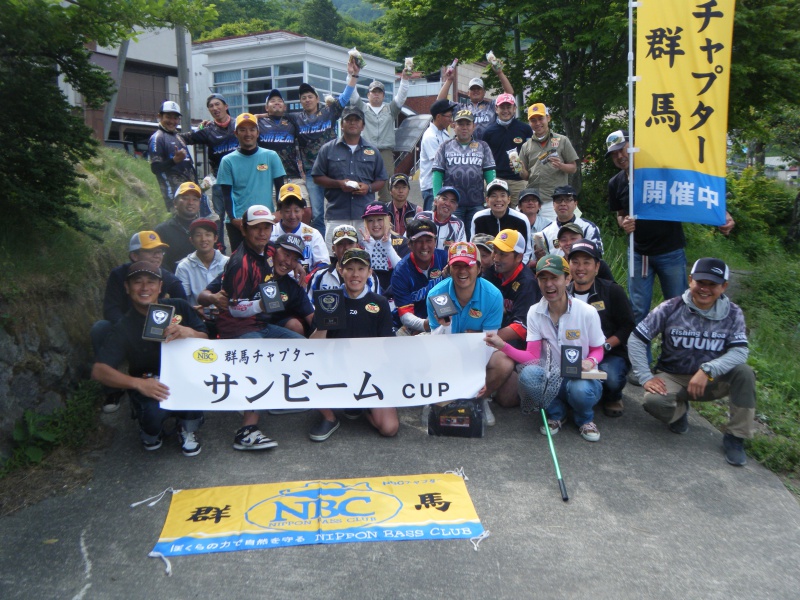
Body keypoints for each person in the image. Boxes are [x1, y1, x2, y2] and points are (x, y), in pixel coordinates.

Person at [198, 208, 314, 451]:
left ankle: (281, 396)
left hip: (261, 324)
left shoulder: (269, 248)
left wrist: (298, 266)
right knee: (258, 360)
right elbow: (234, 309)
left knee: (302, 348)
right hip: (236, 329)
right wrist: (261, 304)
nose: (262, 232)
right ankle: (246, 430)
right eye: (256, 227)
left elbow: (284, 253)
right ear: (244, 229)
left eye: (267, 227)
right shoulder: (240, 263)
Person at [627, 258, 754, 466]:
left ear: (724, 286)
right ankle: (678, 412)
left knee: (745, 373)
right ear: (690, 280)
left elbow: (740, 351)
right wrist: (645, 376)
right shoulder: (671, 306)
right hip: (672, 376)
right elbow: (637, 338)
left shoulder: (733, 313)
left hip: (711, 379)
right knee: (653, 401)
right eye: (700, 282)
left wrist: (708, 370)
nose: (705, 289)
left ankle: (736, 437)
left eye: (712, 284)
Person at [606, 129, 736, 326]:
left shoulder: (662, 173)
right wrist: (624, 223)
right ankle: (638, 356)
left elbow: (693, 194)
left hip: (670, 251)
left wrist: (721, 215)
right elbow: (620, 214)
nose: (620, 156)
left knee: (678, 305)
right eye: (614, 154)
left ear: (633, 147)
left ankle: (675, 353)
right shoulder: (615, 183)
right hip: (639, 254)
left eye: (623, 150)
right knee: (638, 309)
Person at [484, 255, 605, 442]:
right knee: (528, 376)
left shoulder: (586, 312)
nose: (549, 284)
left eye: (554, 278)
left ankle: (584, 418)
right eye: (543, 278)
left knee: (581, 391)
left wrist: (590, 361)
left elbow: (598, 348)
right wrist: (503, 345)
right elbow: (532, 357)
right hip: (551, 376)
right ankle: (556, 414)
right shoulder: (535, 311)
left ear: (567, 279)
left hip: (579, 377)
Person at [91, 262, 207, 456]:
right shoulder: (124, 326)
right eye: (137, 282)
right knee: (153, 418)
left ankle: (187, 428)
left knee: (192, 400)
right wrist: (137, 384)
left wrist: (190, 332)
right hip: (148, 381)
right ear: (127, 288)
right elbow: (99, 370)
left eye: (151, 282)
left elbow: (207, 341)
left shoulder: (179, 306)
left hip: (184, 377)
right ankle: (149, 429)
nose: (145, 288)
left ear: (160, 287)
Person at [92, 231, 188, 413]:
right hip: (126, 328)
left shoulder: (171, 280)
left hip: (161, 333)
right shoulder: (118, 275)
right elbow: (110, 309)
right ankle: (112, 390)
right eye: (150, 251)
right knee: (100, 328)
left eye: (160, 251)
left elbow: (183, 312)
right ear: (134, 255)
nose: (157, 255)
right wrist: (131, 329)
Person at [309, 249, 398, 441]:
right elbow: (312, 348)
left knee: (389, 428)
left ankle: (362, 408)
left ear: (370, 272)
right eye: (349, 268)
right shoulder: (328, 299)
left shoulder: (379, 302)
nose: (355, 274)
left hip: (369, 372)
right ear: (340, 271)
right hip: (334, 369)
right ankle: (330, 417)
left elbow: (388, 347)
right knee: (306, 367)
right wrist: (325, 322)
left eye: (360, 269)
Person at [425, 241, 503, 425]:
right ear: (449, 268)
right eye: (456, 266)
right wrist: (445, 326)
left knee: (504, 362)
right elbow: (436, 345)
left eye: (468, 266)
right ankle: (438, 395)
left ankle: (480, 399)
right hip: (446, 350)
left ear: (478, 268)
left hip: (477, 351)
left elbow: (489, 341)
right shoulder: (436, 294)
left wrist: (476, 379)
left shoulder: (493, 296)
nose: (462, 272)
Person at [566, 239, 634, 418]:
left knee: (611, 378)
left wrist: (605, 346)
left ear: (597, 267)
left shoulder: (613, 291)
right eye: (575, 262)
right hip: (571, 353)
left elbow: (627, 326)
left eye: (586, 262)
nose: (580, 267)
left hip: (609, 353)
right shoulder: (562, 293)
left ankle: (613, 396)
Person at [291, 60, 360, 235]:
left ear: (317, 99)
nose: (307, 100)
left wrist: (353, 75)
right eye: (303, 98)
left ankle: (343, 239)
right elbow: (274, 116)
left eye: (310, 96)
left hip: (334, 170)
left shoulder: (328, 112)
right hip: (313, 174)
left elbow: (345, 96)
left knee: (339, 209)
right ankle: (320, 247)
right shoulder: (296, 119)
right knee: (318, 213)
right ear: (300, 101)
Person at [481, 229, 541, 413]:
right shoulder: (492, 271)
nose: (496, 258)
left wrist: (484, 338)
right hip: (490, 336)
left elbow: (521, 328)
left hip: (515, 346)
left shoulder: (527, 283)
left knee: (507, 398)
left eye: (503, 254)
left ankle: (481, 395)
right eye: (495, 251)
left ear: (518, 257)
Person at [311, 105, 388, 249]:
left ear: (363, 126)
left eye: (357, 120)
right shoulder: (327, 149)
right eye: (349, 120)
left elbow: (382, 180)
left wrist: (369, 187)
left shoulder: (373, 151)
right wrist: (338, 183)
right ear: (342, 124)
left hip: (364, 216)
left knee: (365, 257)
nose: (353, 123)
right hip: (336, 214)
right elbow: (317, 177)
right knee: (334, 257)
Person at [217, 112, 286, 252]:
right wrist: (233, 218)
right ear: (236, 133)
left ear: (258, 132)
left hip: (265, 219)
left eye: (252, 129)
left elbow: (281, 188)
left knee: (266, 259)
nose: (248, 133)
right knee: (241, 263)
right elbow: (226, 194)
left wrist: (279, 211)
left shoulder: (271, 156)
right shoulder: (227, 161)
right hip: (239, 222)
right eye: (242, 130)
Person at [180, 93, 238, 251]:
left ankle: (241, 248)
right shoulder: (208, 130)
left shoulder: (238, 124)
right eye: (211, 106)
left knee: (239, 214)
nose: (215, 108)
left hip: (241, 178)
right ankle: (218, 247)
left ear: (226, 106)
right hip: (219, 179)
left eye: (217, 104)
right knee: (219, 215)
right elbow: (184, 138)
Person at [432, 109, 496, 236]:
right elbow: (437, 174)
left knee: (477, 237)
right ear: (454, 126)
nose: (464, 127)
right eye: (460, 124)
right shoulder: (445, 146)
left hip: (477, 203)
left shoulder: (483, 146)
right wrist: (436, 198)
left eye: (468, 124)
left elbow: (490, 176)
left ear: (474, 126)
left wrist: (492, 197)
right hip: (452, 204)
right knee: (453, 237)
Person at [350, 74, 411, 201]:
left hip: (386, 152)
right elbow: (352, 93)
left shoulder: (390, 109)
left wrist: (404, 79)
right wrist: (351, 74)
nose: (376, 94)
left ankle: (386, 214)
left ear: (383, 95)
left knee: (387, 185)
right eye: (373, 92)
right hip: (366, 151)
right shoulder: (362, 108)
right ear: (368, 95)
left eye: (379, 92)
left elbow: (401, 96)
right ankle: (365, 212)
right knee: (364, 183)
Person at [519, 103, 578, 221]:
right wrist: (520, 169)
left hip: (555, 200)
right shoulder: (526, 146)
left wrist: (561, 166)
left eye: (541, 118)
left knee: (555, 235)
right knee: (534, 235)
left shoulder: (562, 140)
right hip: (534, 200)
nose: (537, 123)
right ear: (529, 123)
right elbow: (525, 177)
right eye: (533, 120)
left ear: (548, 118)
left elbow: (573, 168)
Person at [390, 218, 449, 335]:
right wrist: (428, 325)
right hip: (410, 325)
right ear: (409, 244)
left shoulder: (446, 259)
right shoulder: (401, 272)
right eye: (418, 241)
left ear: (435, 242)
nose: (424, 246)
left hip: (444, 320)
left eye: (429, 240)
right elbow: (405, 316)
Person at [436, 64, 515, 140]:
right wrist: (449, 80)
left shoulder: (491, 105)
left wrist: (500, 73)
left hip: (490, 147)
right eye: (473, 89)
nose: (476, 91)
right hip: (467, 148)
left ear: (484, 92)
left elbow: (509, 95)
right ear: (468, 93)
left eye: (478, 88)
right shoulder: (460, 107)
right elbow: (440, 103)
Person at [308, 224, 381, 302]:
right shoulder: (319, 275)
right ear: (333, 249)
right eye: (341, 244)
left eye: (350, 243)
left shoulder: (370, 276)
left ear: (357, 246)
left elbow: (375, 305)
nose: (346, 247)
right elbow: (309, 307)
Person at [148, 100, 200, 212]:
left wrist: (202, 127)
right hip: (175, 198)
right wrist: (174, 161)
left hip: (189, 195)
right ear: (159, 117)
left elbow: (192, 136)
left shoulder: (177, 136)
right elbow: (155, 168)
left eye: (175, 118)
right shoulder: (157, 138)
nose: (172, 121)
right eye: (168, 117)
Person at [482, 94, 532, 206]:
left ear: (514, 108)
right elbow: (484, 159)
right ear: (496, 109)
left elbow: (531, 153)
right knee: (495, 212)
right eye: (502, 107)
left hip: (519, 181)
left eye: (508, 107)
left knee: (519, 214)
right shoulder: (488, 132)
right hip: (496, 179)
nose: (505, 111)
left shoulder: (525, 129)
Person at [271, 183, 329, 277]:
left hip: (305, 285)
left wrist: (309, 278)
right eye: (287, 211)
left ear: (303, 210)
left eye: (297, 211)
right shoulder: (271, 231)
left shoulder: (314, 234)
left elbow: (323, 264)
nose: (292, 216)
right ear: (280, 211)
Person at [471, 179, 532, 264]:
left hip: (513, 267)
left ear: (509, 199)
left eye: (503, 195)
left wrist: (517, 269)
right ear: (487, 200)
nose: (499, 199)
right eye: (494, 196)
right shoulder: (478, 218)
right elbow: (474, 248)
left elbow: (527, 250)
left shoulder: (521, 219)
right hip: (486, 266)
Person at [536, 185, 603, 259]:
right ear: (553, 204)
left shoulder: (588, 228)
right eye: (558, 200)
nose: (563, 204)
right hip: (556, 269)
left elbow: (597, 256)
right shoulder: (545, 232)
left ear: (575, 204)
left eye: (568, 199)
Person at [175, 218, 228, 307]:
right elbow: (182, 300)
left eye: (208, 235)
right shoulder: (184, 267)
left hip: (225, 316)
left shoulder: (228, 263)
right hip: (196, 317)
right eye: (198, 235)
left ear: (215, 238)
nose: (203, 239)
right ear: (191, 240)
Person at [258, 89, 304, 189]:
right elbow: (240, 121)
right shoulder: (258, 122)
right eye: (272, 101)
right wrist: (260, 116)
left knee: (303, 204)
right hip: (267, 179)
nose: (277, 102)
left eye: (279, 100)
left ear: (285, 107)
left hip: (291, 177)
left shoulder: (292, 122)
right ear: (266, 107)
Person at [359, 202, 409, 290]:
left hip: (396, 291)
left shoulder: (402, 242)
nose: (375, 224)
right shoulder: (361, 245)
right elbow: (359, 275)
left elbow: (404, 272)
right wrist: (368, 249)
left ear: (388, 219)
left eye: (379, 219)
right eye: (370, 220)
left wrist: (389, 248)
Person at [155, 181, 202, 273]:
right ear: (175, 203)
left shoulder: (208, 229)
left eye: (195, 199)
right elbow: (158, 262)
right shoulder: (162, 230)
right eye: (185, 198)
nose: (190, 202)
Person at [419, 99, 457, 210]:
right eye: (449, 116)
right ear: (439, 116)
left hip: (442, 185)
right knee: (431, 221)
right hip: (431, 187)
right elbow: (439, 162)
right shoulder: (430, 136)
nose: (451, 120)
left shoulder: (444, 132)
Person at [417, 186, 466, 250]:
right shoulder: (421, 217)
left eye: (452, 201)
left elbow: (461, 250)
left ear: (455, 208)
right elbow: (408, 241)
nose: (448, 204)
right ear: (435, 201)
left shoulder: (458, 224)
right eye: (444, 199)